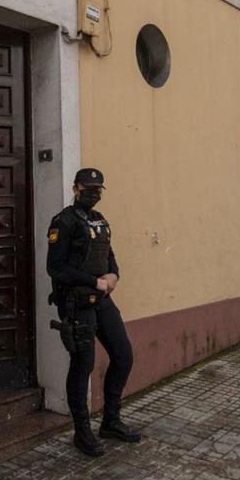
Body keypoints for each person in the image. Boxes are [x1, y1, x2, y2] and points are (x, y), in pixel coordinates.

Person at [46, 168, 140, 457]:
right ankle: (82, 433)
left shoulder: (99, 221)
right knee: (82, 366)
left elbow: (109, 256)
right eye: (88, 188)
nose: (94, 193)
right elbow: (56, 267)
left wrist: (113, 276)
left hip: (102, 300)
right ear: (76, 189)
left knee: (123, 356)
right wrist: (92, 281)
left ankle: (111, 421)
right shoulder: (64, 222)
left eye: (98, 189)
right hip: (77, 303)